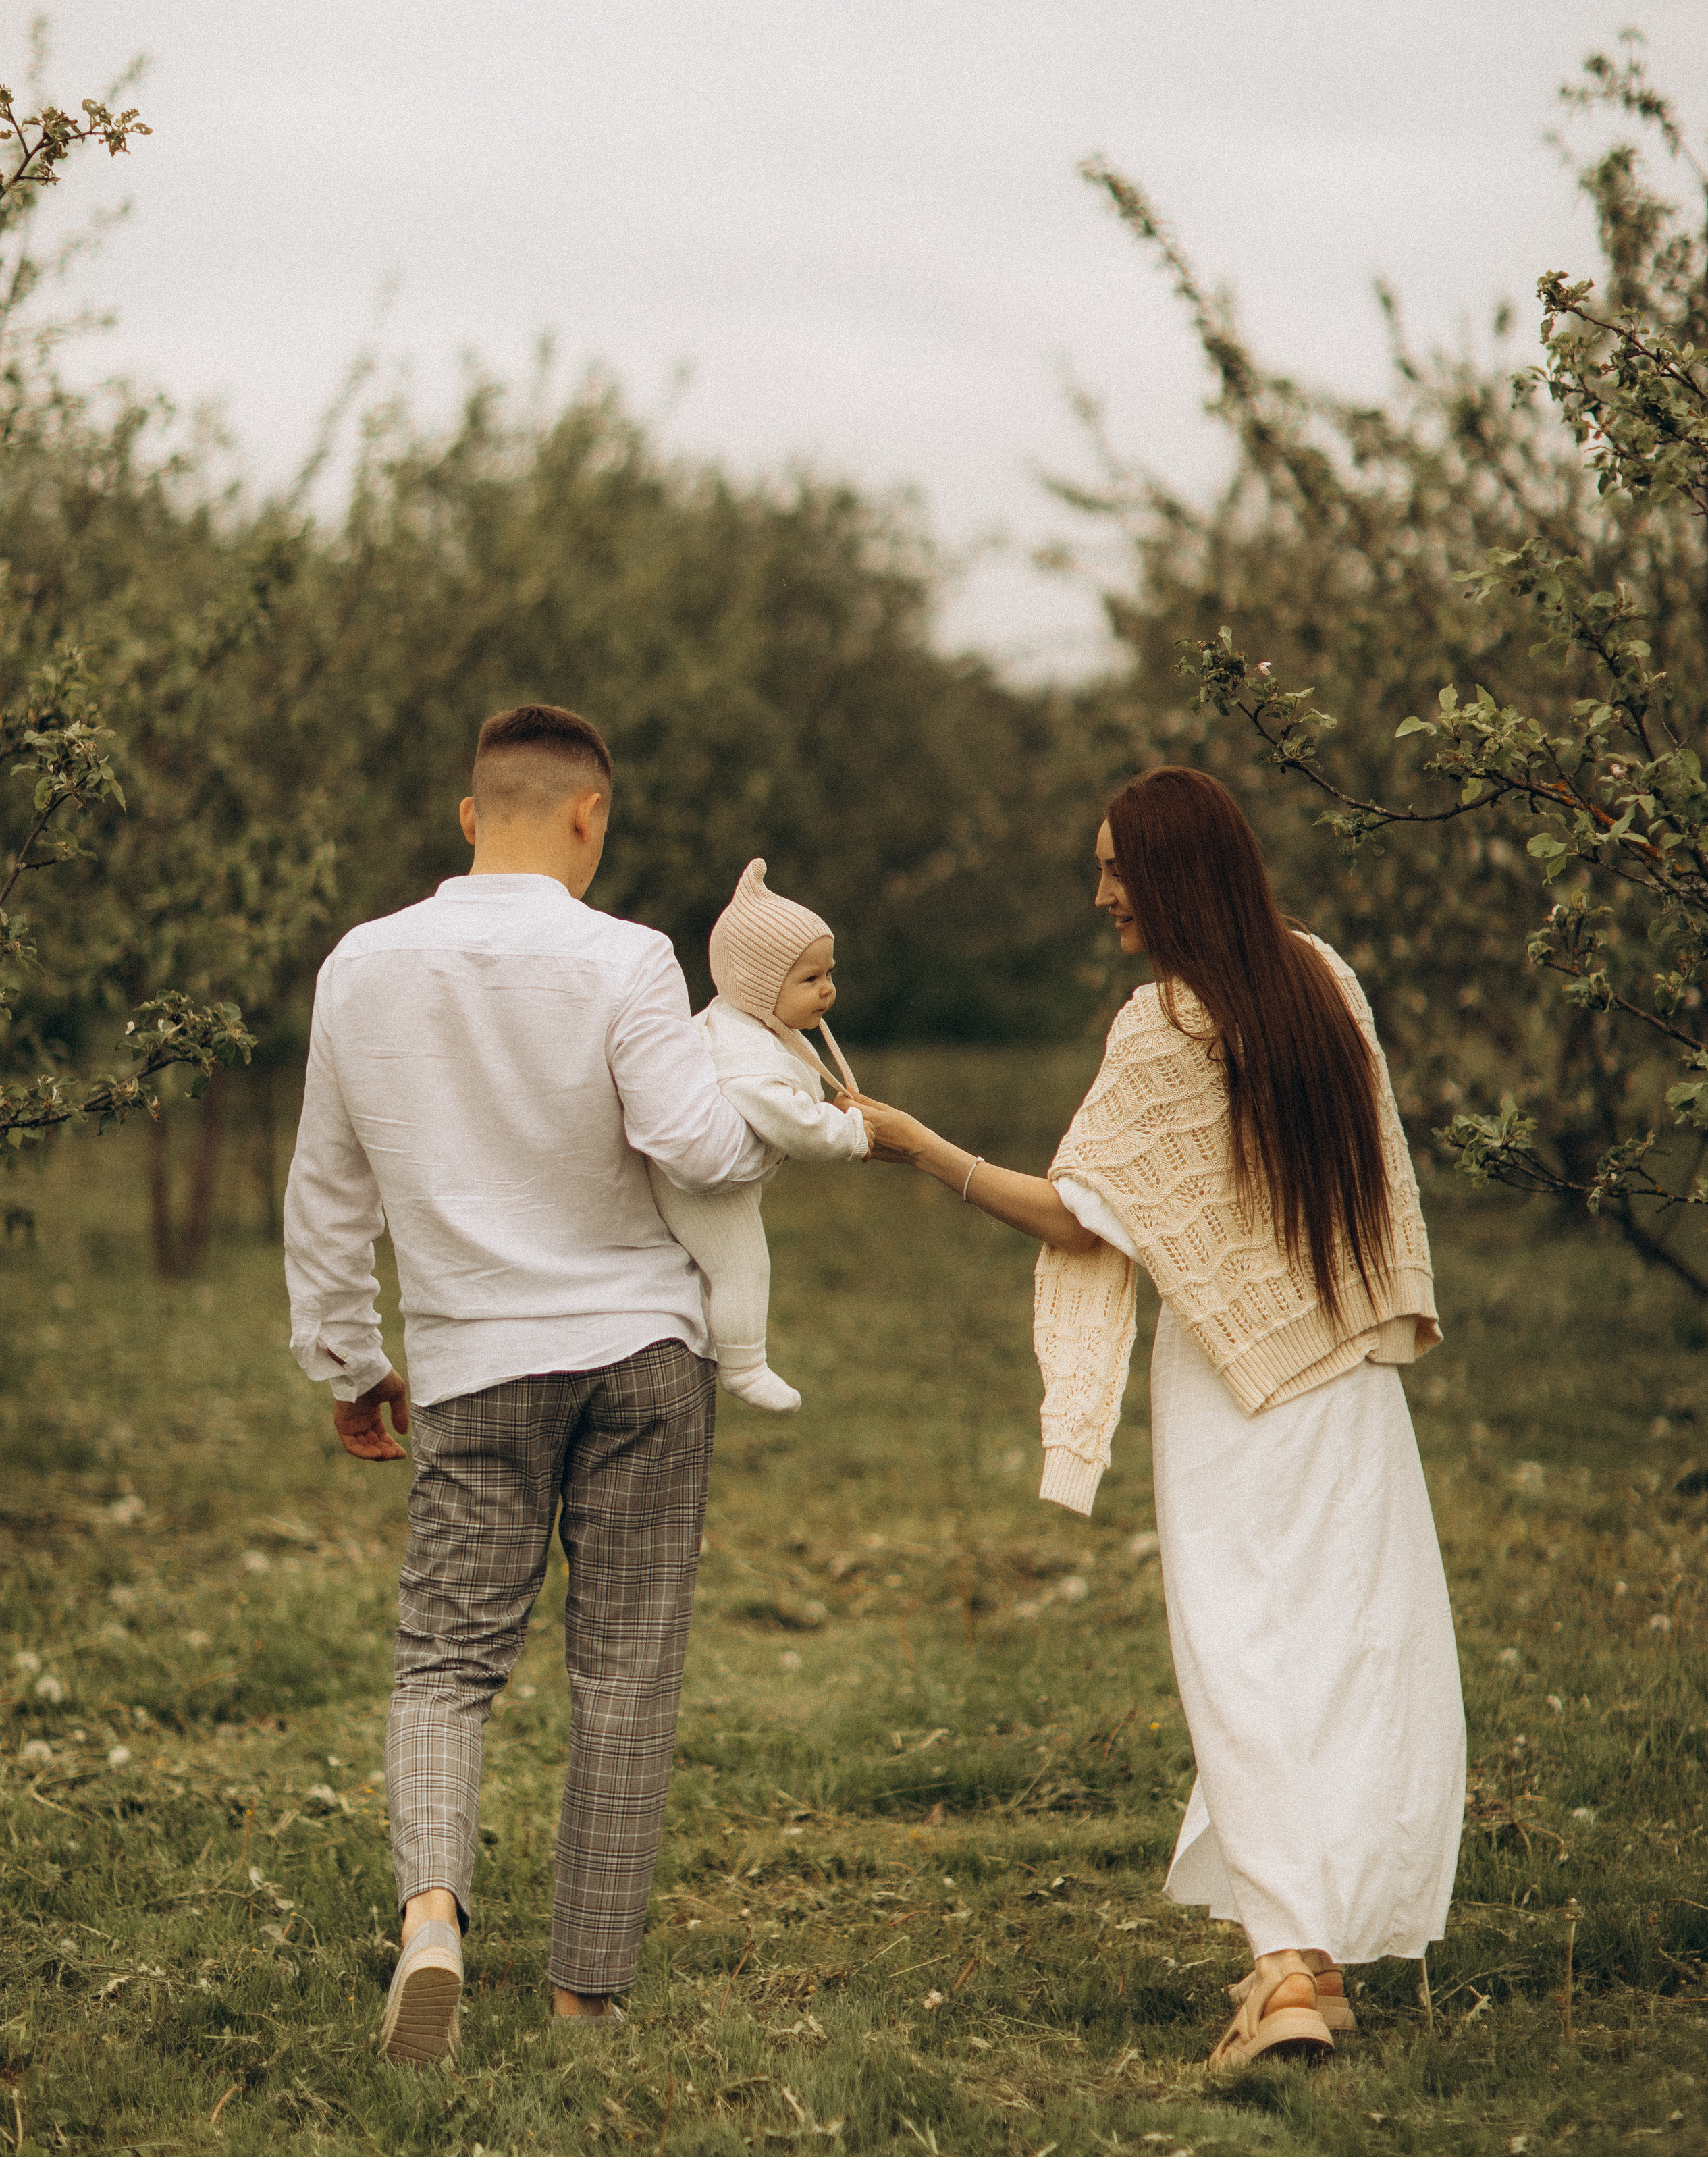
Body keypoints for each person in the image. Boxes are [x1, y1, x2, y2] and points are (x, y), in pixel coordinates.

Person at [855, 765, 1466, 2071]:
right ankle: (1309, 1956)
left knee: (1243, 1658)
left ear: (1175, 874)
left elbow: (1084, 1214)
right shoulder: (1324, 978)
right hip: (1350, 1380)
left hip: (1237, 1396)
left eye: (1116, 870)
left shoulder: (1163, 1026)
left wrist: (920, 1149)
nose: (1102, 895)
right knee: (1346, 1660)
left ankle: (1287, 1973)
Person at [283, 703, 851, 2065]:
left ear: (471, 815)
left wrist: (352, 1362)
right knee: (628, 1673)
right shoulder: (630, 957)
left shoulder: (360, 966)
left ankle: (433, 1919)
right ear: (588, 814)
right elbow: (694, 1148)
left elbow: (327, 1190)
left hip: (475, 1365)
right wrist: (789, 1113)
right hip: (643, 1354)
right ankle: (585, 1995)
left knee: (443, 1662)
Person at [649, 858, 868, 1412]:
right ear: (757, 983)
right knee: (743, 1263)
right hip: (694, 1183)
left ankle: (713, 1338)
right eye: (810, 979)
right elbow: (790, 1122)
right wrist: (852, 1134)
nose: (826, 991)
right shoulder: (740, 1053)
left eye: (829, 974)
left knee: (721, 1265)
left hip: (707, 1171)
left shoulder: (758, 1022)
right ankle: (744, 1366)